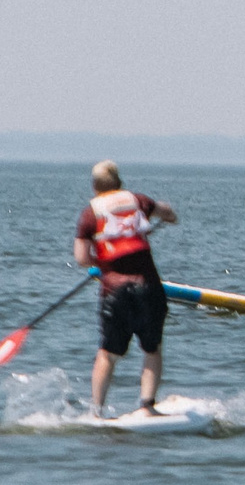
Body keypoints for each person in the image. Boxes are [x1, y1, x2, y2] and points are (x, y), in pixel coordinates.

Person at [73, 161, 179, 416]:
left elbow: (81, 258)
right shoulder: (138, 200)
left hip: (113, 293)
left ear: (95, 186)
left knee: (107, 354)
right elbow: (168, 213)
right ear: (119, 182)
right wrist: (168, 215)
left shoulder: (89, 214)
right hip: (147, 288)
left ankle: (96, 411)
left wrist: (102, 262)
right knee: (151, 349)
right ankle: (147, 406)